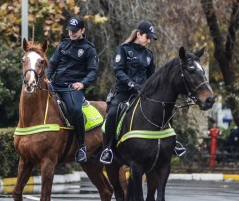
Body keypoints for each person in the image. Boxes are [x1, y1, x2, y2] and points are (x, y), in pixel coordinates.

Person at [100, 20, 186, 164]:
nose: (149, 41)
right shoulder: (124, 50)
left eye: (151, 38)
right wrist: (132, 84)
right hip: (125, 92)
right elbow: (119, 71)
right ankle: (108, 149)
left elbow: (153, 76)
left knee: (164, 109)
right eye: (147, 37)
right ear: (138, 34)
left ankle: (173, 142)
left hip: (144, 94)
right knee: (113, 112)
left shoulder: (149, 55)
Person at [44, 16, 99, 163]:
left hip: (73, 88)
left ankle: (81, 146)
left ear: (82, 30)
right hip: (56, 84)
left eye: (75, 31)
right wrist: (47, 77)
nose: (72, 33)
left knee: (75, 110)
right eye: (70, 31)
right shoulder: (63, 45)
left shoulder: (89, 49)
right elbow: (52, 64)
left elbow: (93, 71)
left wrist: (83, 83)